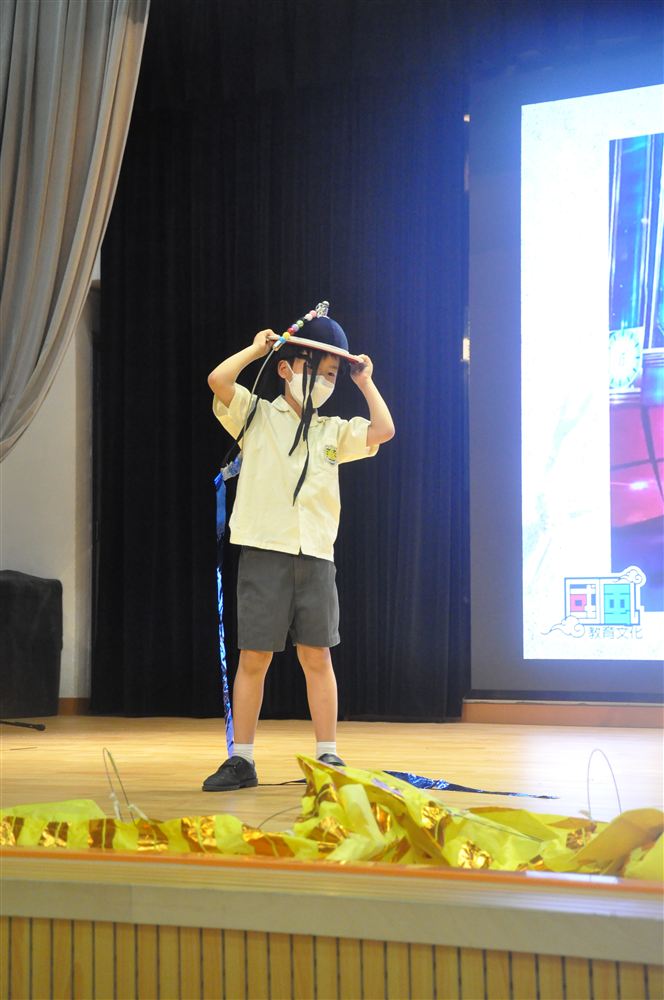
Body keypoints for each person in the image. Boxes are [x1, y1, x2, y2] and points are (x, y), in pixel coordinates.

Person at [202, 313, 395, 791]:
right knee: (254, 657)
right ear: (286, 369)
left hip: (316, 556)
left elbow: (383, 430)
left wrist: (365, 383)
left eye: (332, 375)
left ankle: (328, 754)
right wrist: (256, 350)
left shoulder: (333, 430)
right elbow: (218, 380)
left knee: (317, 656)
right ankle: (242, 759)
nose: (326, 382)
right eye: (318, 371)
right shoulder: (257, 416)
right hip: (264, 550)